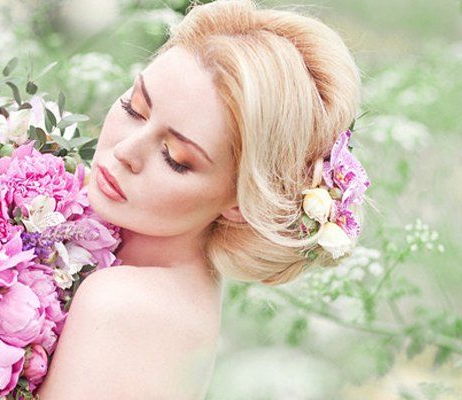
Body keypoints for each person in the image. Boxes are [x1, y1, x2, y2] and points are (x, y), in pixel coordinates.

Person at [34, 0, 366, 398]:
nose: (126, 151)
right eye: (134, 108)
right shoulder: (178, 290)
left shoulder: (124, 304)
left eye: (175, 158)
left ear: (241, 203)